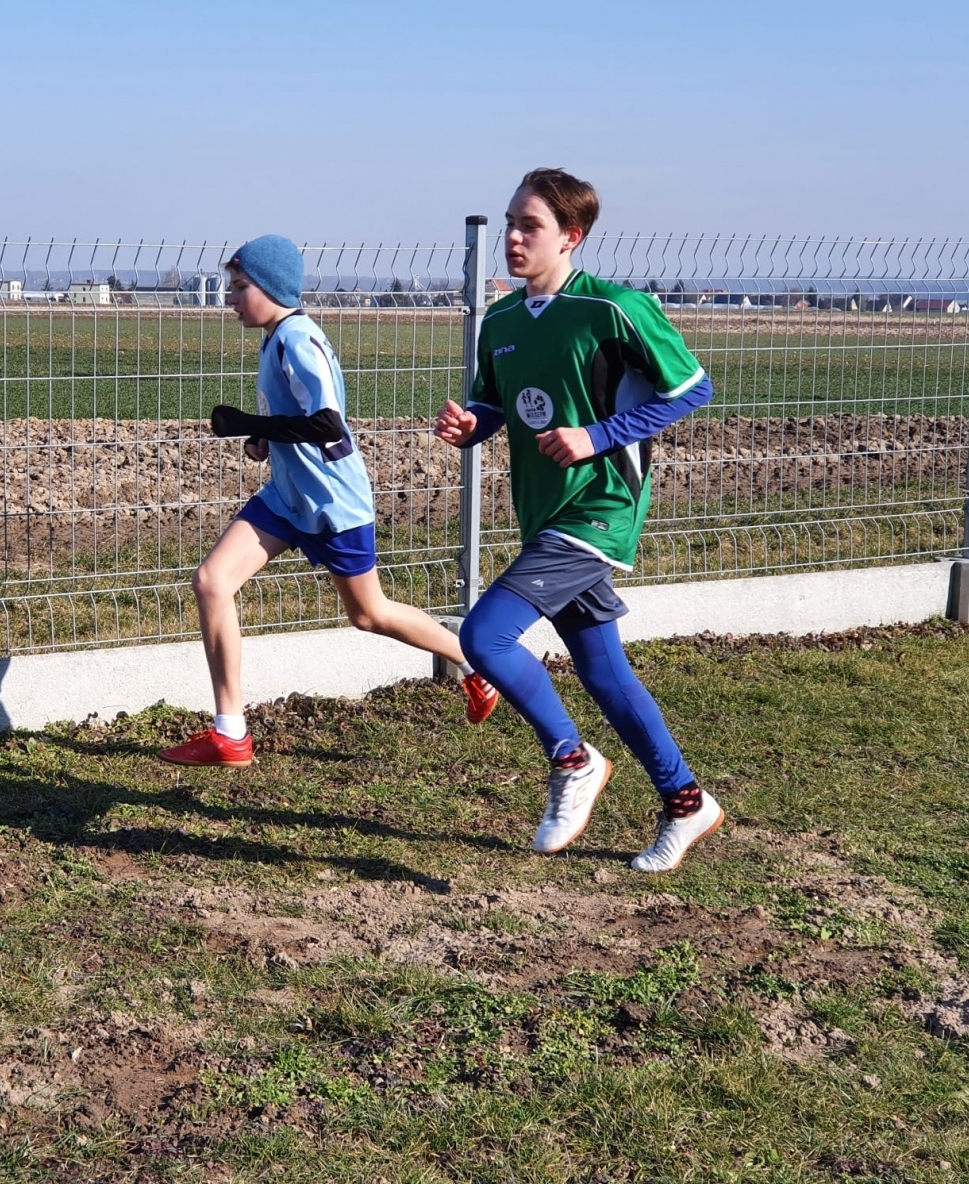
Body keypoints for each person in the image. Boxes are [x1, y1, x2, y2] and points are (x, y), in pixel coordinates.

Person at [433, 168, 720, 872]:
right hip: (546, 514)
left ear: (572, 237)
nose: (512, 237)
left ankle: (573, 758)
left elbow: (693, 387)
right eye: (509, 223)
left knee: (485, 635)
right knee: (604, 673)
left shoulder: (615, 309)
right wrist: (470, 425)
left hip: (601, 508)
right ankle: (687, 802)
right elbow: (496, 407)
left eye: (529, 226)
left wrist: (598, 436)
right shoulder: (499, 321)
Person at [160, 235, 497, 767]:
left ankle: (475, 665)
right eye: (231, 285)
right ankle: (231, 733)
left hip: (333, 505)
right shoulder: (275, 338)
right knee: (212, 581)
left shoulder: (299, 339)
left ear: (271, 288)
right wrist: (263, 440)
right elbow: (295, 420)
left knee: (369, 614)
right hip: (285, 499)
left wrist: (250, 423)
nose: (230, 296)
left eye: (240, 286)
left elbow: (327, 424)